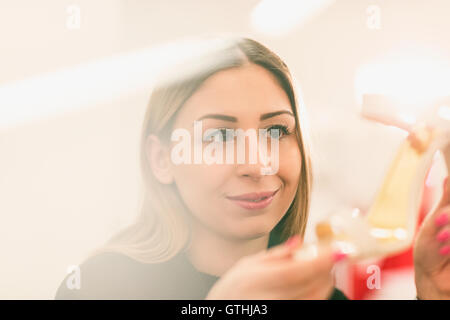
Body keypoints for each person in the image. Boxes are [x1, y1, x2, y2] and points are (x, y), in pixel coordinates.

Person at [55, 37, 450, 300]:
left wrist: (429, 292)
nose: (257, 163)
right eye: (219, 137)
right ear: (162, 159)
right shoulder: (103, 286)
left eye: (277, 130)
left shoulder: (320, 294)